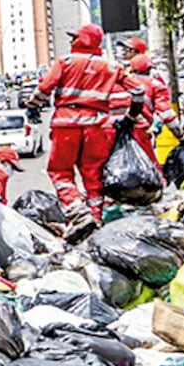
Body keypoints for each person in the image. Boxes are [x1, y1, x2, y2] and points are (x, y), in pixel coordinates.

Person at [26, 24, 144, 236]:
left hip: (67, 124)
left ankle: (78, 211)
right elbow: (138, 90)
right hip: (98, 126)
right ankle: (95, 218)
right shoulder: (112, 67)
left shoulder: (66, 62)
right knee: (94, 175)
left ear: (84, 40)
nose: (71, 42)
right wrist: (131, 116)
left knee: (60, 171)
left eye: (75, 38)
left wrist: (33, 106)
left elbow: (44, 88)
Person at [128, 54, 184, 167]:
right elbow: (166, 114)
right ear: (149, 69)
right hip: (142, 131)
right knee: (151, 170)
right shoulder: (156, 86)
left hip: (115, 131)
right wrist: (181, 136)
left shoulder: (123, 82)